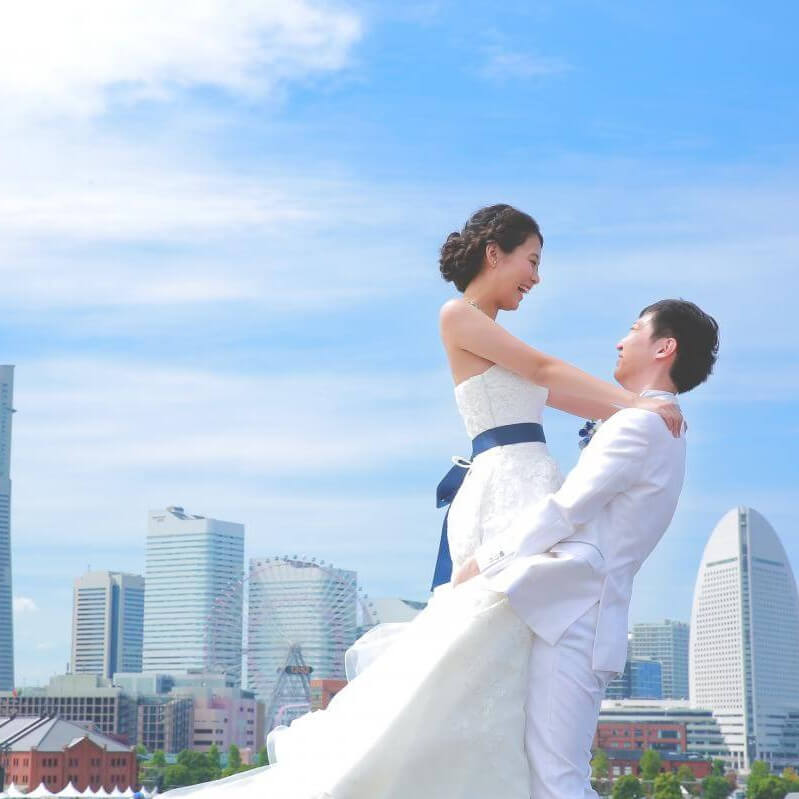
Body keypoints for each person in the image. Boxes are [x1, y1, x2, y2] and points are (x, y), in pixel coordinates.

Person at [160, 205, 717, 799]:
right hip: (504, 487)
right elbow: (544, 368)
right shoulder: (459, 316)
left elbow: (561, 387)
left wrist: (648, 405)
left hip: (531, 487)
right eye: (531, 261)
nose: (537, 277)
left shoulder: (507, 341)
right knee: (482, 637)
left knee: (497, 654)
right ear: (493, 253)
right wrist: (639, 404)